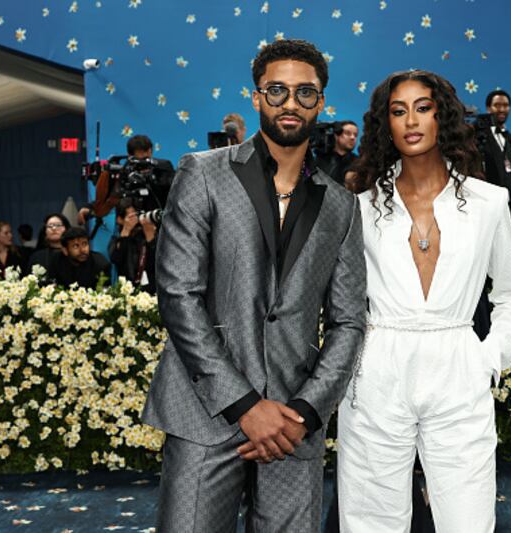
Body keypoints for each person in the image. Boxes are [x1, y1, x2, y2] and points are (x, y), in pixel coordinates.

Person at [141, 39, 366, 533]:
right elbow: (178, 295)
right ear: (257, 96)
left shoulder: (341, 205)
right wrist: (244, 405)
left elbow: (350, 321)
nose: (291, 103)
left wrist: (306, 411)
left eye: (305, 92)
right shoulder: (203, 173)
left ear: (321, 102)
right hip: (204, 411)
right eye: (277, 90)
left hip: (292, 423)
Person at [339, 70, 511, 532]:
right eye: (398, 111)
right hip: (378, 368)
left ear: (441, 117)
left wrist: (489, 358)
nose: (411, 120)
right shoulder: (360, 206)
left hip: (459, 365)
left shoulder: (488, 202)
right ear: (385, 124)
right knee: (370, 520)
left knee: (468, 517)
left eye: (423, 108)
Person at [108, 198, 157, 293]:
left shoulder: (147, 233)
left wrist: (150, 238)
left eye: (136, 215)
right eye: (131, 217)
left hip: (152, 290)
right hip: (128, 291)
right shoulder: (116, 239)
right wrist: (126, 230)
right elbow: (116, 258)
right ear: (119, 219)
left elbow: (158, 264)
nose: (135, 220)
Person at [478, 89, 511, 197]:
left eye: (506, 105)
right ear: (488, 108)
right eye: (497, 105)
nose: (502, 109)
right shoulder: (477, 135)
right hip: (486, 198)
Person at [316, 120, 359, 185]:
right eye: (348, 133)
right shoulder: (320, 158)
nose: (353, 137)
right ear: (336, 135)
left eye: (355, 135)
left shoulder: (358, 163)